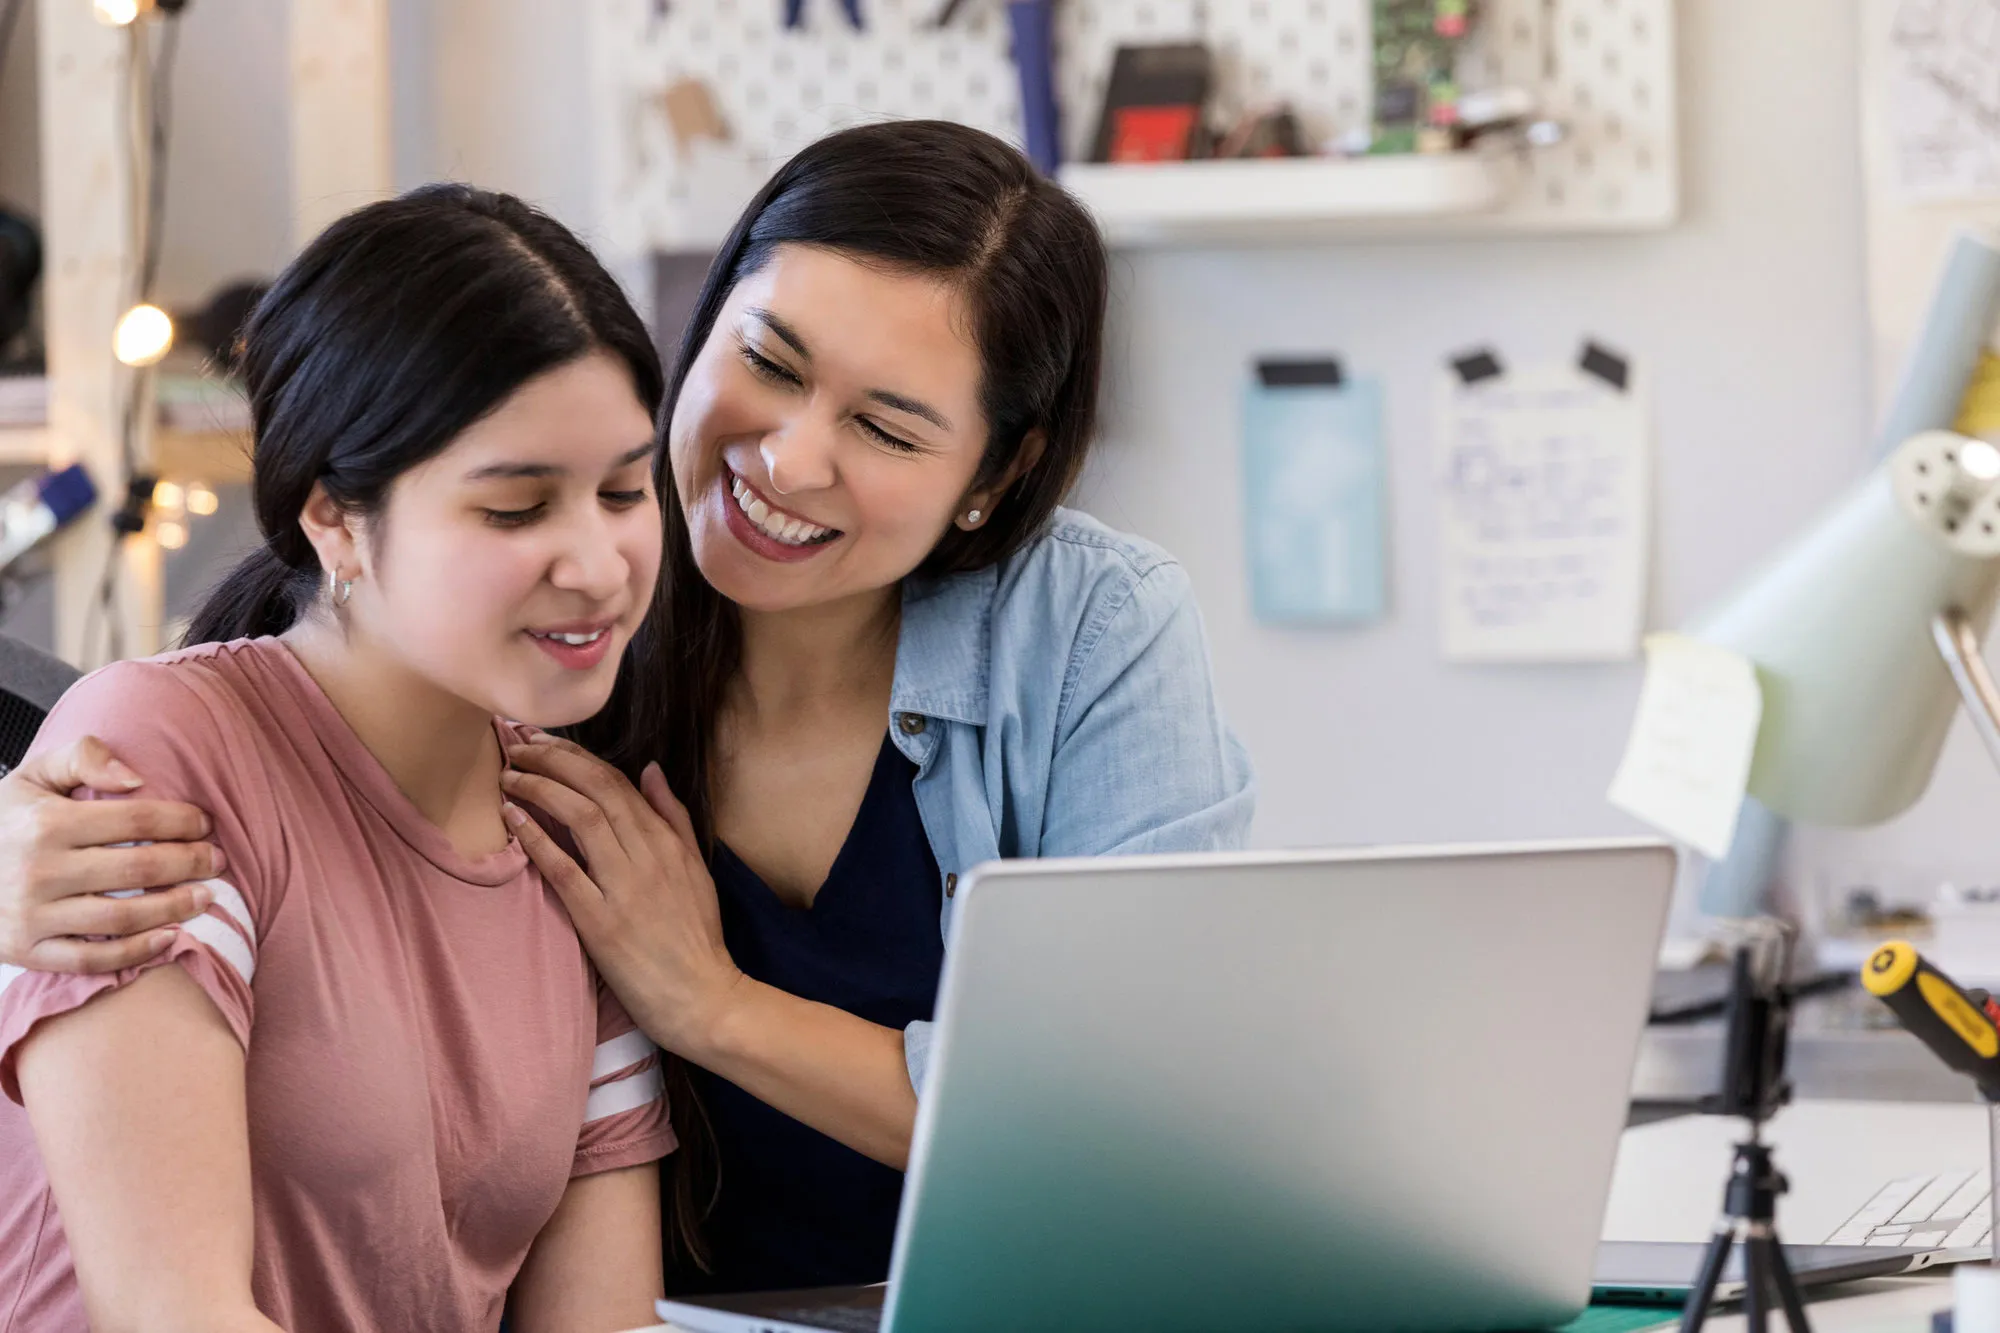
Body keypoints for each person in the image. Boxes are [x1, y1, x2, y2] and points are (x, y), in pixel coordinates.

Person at [0, 120, 1253, 1295]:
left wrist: (708, 1002)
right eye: (767, 362)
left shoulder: (1086, 625)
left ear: (997, 471)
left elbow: (1136, 1128)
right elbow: (266, 753)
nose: (788, 460)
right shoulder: (552, 624)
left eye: (882, 427)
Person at [0, 186, 677, 1333]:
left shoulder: (570, 833)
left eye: (623, 490)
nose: (602, 564)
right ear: (334, 519)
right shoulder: (165, 758)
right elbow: (174, 1315)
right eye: (517, 509)